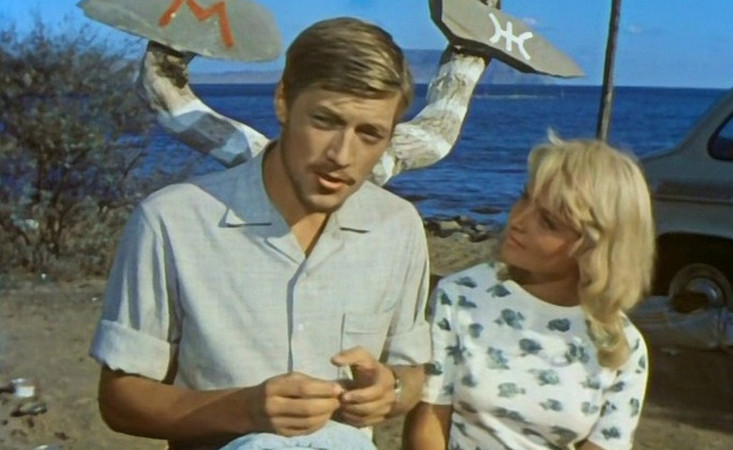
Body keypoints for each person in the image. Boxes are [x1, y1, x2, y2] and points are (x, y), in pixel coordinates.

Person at [90, 17, 430, 449]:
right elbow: (120, 401)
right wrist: (243, 410)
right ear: (283, 101)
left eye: (369, 134)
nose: (342, 155)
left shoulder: (398, 226)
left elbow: (413, 373)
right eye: (325, 121)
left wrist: (390, 390)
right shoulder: (172, 220)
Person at [404, 134, 656, 450]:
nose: (518, 221)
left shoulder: (622, 346)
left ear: (594, 248)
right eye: (524, 197)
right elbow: (429, 419)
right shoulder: (462, 296)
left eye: (548, 222)